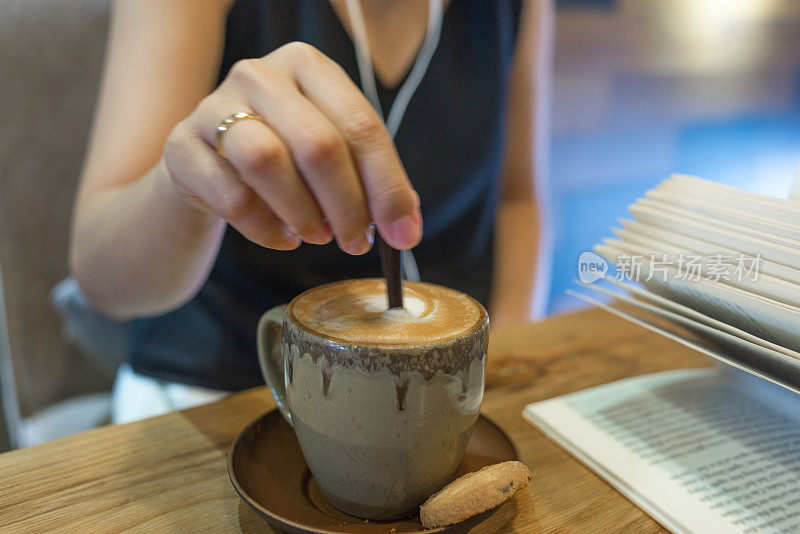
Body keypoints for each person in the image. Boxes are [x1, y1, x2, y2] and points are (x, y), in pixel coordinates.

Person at [69, 0, 552, 421]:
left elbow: (518, 200)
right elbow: (102, 279)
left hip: (442, 392)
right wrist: (186, 184)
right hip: (224, 388)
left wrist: (493, 366)